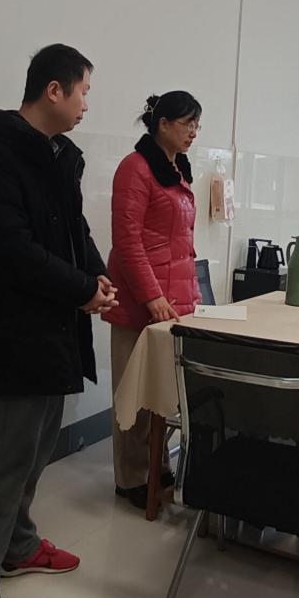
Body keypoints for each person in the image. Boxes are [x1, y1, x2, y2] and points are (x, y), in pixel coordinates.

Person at [0, 44, 117, 598]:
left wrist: (97, 274)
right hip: (13, 335)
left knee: (35, 451)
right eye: (83, 92)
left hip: (53, 331)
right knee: (5, 462)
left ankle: (17, 546)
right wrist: (81, 289)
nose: (86, 105)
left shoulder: (59, 155)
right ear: (54, 90)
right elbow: (11, 251)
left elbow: (75, 228)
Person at [103, 91, 202, 509]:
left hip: (172, 302)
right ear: (162, 124)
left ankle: (157, 469)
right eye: (187, 124)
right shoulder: (135, 167)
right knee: (133, 395)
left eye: (197, 125)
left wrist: (188, 296)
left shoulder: (177, 168)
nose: (194, 132)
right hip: (139, 302)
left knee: (159, 394)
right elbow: (128, 242)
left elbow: (179, 243)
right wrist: (151, 296)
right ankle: (130, 478)